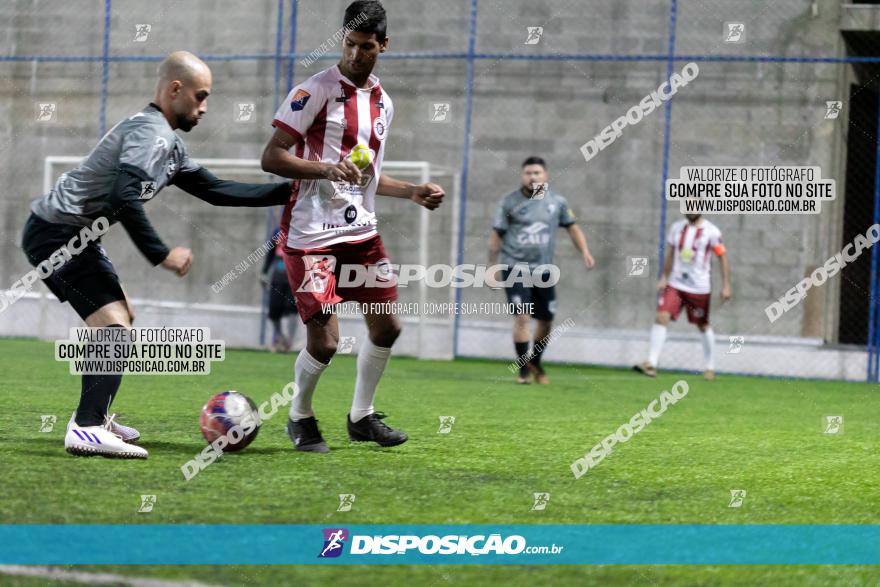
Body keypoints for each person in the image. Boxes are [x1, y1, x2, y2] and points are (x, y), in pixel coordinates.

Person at [21, 51, 295, 459]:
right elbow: (123, 196)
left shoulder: (170, 146)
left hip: (74, 235)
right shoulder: (152, 134)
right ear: (174, 90)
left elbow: (217, 190)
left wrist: (293, 191)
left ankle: (97, 416)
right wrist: (160, 253)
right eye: (200, 97)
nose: (204, 108)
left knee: (120, 320)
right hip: (56, 233)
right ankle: (87, 426)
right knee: (112, 327)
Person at [261, 0, 444, 453]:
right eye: (349, 44)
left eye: (366, 47)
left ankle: (361, 417)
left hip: (361, 236)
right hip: (312, 238)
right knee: (325, 342)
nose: (355, 54)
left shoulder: (384, 102)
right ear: (341, 39)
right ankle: (299, 415)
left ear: (384, 45)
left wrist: (412, 192)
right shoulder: (314, 90)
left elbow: (368, 176)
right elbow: (272, 157)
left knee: (387, 328)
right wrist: (324, 169)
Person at [489, 156, 595, 385]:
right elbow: (496, 236)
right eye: (528, 173)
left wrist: (585, 251)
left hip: (544, 271)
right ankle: (523, 370)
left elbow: (572, 227)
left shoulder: (556, 202)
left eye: (537, 173)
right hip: (515, 267)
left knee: (546, 320)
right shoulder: (509, 203)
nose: (532, 177)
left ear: (545, 176)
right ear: (522, 176)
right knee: (522, 317)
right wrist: (491, 267)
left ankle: (535, 361)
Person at [633, 213, 732, 380]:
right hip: (676, 284)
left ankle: (710, 367)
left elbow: (722, 256)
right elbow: (671, 254)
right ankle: (651, 363)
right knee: (661, 316)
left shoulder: (712, 231)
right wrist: (664, 276)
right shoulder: (677, 228)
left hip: (699, 288)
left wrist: (726, 285)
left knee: (702, 325)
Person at [261, 227, 298, 352]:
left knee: (292, 309)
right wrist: (264, 273)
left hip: (293, 279)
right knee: (274, 309)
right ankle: (280, 337)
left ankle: (289, 342)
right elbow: (270, 253)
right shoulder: (277, 231)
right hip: (277, 277)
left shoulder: (302, 230)